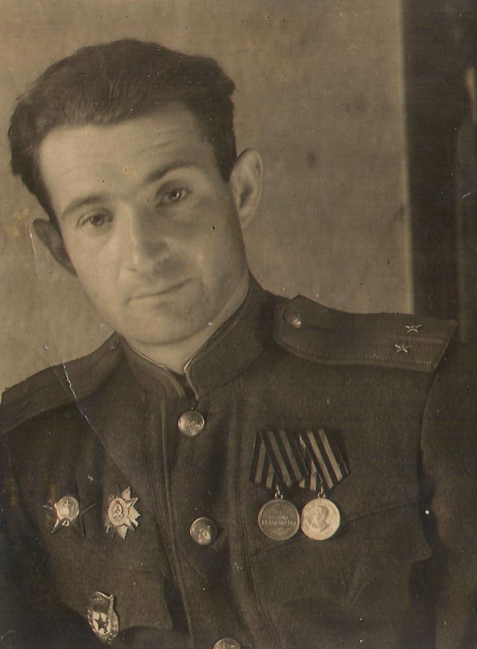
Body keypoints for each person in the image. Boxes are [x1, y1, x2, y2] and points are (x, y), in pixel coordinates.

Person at [1, 38, 477, 649]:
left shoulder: (421, 397)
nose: (143, 253)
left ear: (243, 190)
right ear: (60, 249)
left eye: (172, 196)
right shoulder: (30, 449)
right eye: (97, 219)